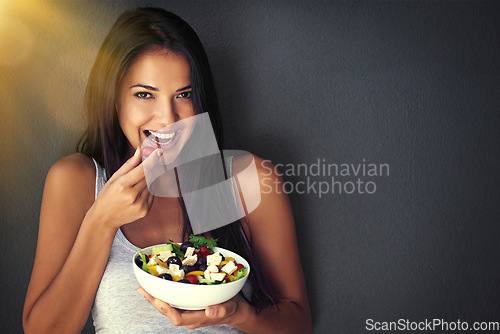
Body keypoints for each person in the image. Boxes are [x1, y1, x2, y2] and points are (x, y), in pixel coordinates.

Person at [22, 7, 311, 334]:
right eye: (144, 94)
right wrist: (102, 220)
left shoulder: (247, 180)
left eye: (184, 95)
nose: (168, 117)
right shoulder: (78, 180)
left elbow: (297, 323)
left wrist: (237, 313)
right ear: (113, 98)